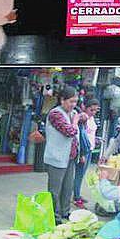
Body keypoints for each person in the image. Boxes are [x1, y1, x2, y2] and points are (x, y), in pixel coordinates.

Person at [44, 86, 80, 223]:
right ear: (62, 100)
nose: (73, 105)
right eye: (71, 102)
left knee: (67, 187)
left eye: (75, 102)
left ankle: (65, 212)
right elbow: (70, 131)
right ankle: (54, 216)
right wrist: (76, 120)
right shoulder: (55, 114)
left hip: (69, 158)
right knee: (55, 190)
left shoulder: (71, 113)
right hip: (56, 158)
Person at [73, 98, 100, 208]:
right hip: (84, 150)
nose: (93, 112)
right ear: (85, 107)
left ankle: (77, 194)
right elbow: (81, 137)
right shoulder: (83, 119)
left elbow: (90, 135)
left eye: (95, 110)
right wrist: (82, 154)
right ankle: (76, 197)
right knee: (79, 175)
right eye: (91, 110)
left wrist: (96, 139)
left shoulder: (91, 119)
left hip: (90, 149)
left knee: (81, 174)